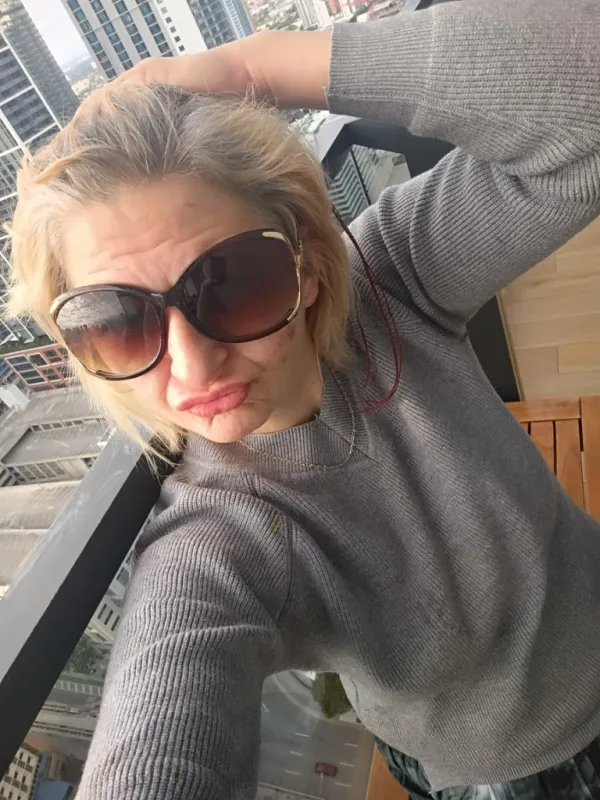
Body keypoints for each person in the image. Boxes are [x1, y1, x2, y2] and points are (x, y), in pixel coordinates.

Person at [7, 0, 600, 797]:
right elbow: (164, 716)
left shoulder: (391, 285)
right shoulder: (219, 536)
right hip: (514, 775)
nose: (192, 362)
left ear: (308, 269)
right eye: (116, 322)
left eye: (234, 283)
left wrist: (252, 68)